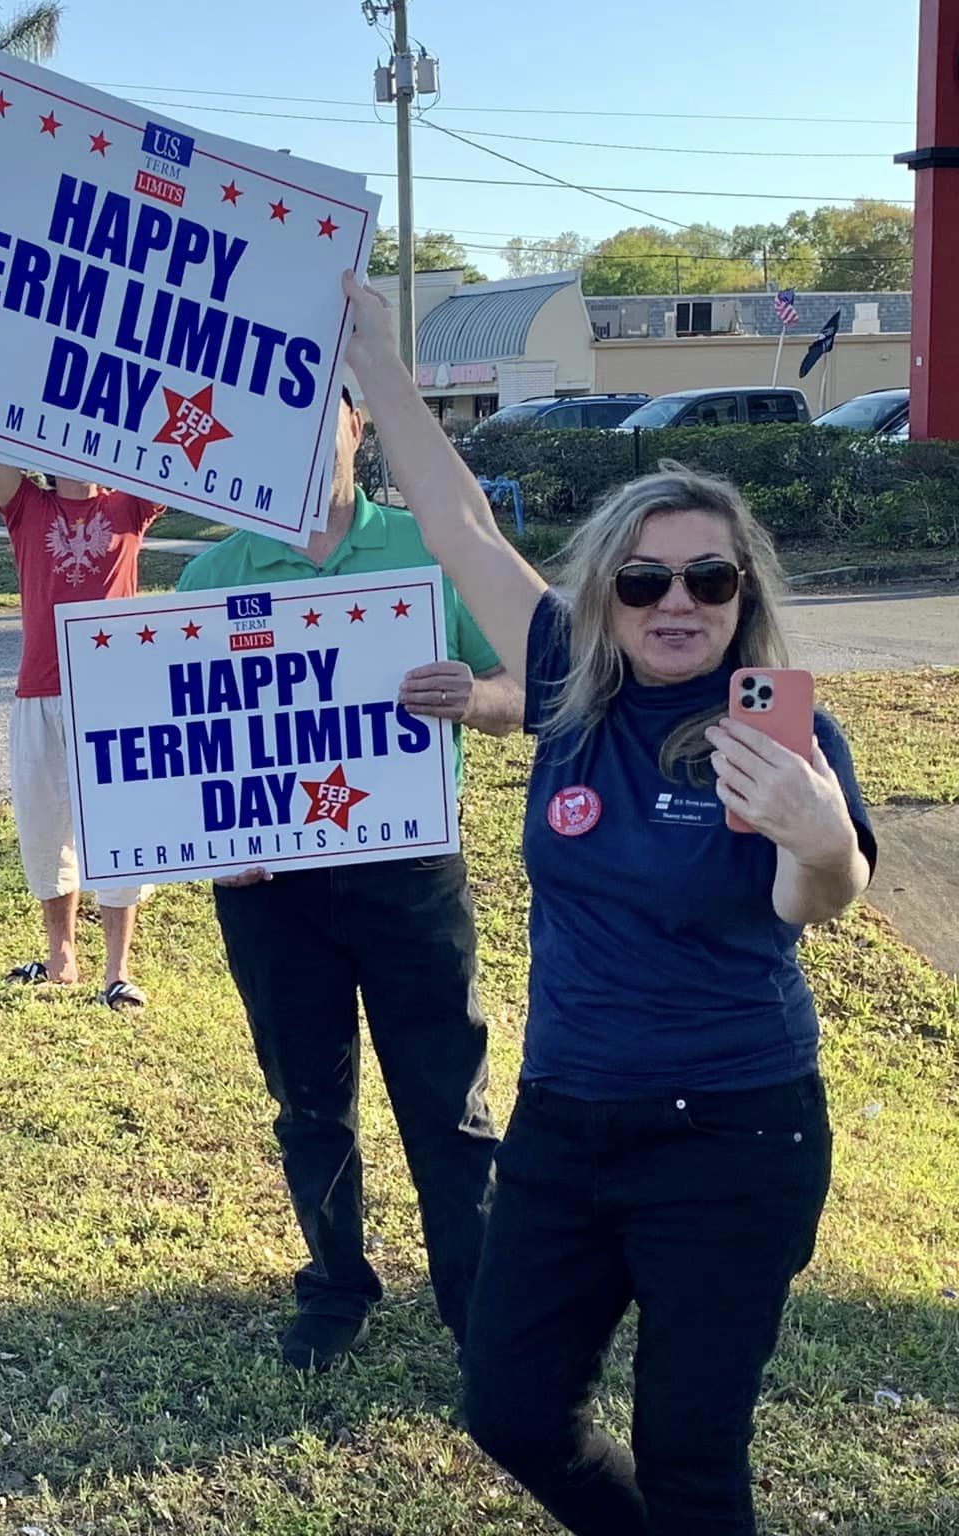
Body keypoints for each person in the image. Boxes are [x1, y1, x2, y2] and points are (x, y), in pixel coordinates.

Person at [340, 271, 877, 1534]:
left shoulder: (778, 729)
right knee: (508, 1409)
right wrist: (371, 355)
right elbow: (458, 520)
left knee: (692, 1455)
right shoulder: (568, 695)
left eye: (706, 581)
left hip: (732, 1133)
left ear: (743, 596)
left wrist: (815, 835)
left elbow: (818, 900)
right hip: (566, 1124)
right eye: (642, 583)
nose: (673, 604)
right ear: (606, 597)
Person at [176, 385, 522, 1371]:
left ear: (355, 428)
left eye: (313, 408)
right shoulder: (210, 572)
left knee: (446, 1100)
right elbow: (177, 755)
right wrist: (202, 842)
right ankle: (333, 1288)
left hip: (409, 872)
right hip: (267, 888)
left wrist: (474, 696)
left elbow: (525, 686)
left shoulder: (428, 553)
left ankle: (476, 1307)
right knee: (307, 1103)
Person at [0, 460, 164, 1009]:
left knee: (120, 829)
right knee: (44, 827)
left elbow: (166, 456)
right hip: (39, 690)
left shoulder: (128, 504)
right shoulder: (29, 507)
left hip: (111, 693)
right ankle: (60, 959)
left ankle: (117, 970)